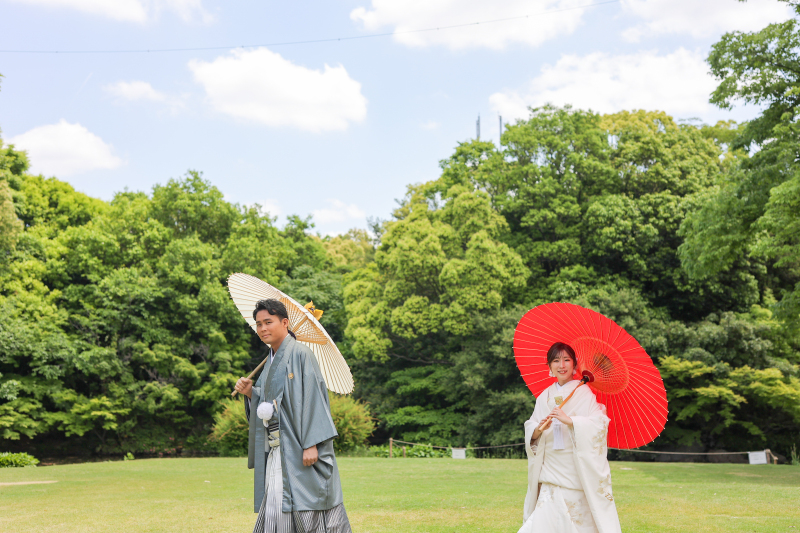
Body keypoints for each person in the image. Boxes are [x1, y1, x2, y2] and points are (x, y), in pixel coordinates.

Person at [234, 298, 352, 533]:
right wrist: (251, 394)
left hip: (299, 446)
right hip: (278, 448)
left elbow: (314, 398)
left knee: (305, 500)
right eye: (258, 324)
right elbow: (270, 404)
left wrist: (312, 444)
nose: (263, 328)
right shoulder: (270, 361)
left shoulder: (301, 354)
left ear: (285, 322)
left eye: (268, 322)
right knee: (278, 501)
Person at [518, 342, 621, 533]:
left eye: (567, 360)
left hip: (574, 469)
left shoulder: (584, 393)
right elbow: (531, 424)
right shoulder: (545, 396)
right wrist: (538, 429)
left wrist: (572, 421)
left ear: (574, 365)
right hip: (550, 467)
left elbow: (598, 424)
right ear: (549, 366)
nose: (562, 365)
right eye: (556, 360)